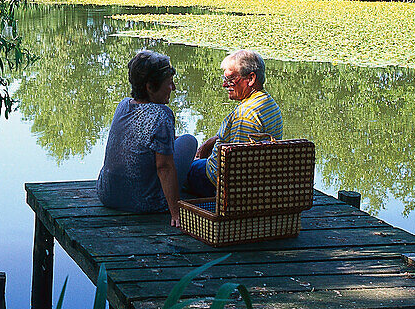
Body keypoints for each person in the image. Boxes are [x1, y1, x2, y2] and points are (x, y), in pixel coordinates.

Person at [96, 50, 196, 227]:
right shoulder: (161, 114)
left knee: (174, 143)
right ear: (150, 87)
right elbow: (164, 167)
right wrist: (175, 212)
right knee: (188, 141)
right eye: (169, 83)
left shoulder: (123, 105)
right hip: (145, 203)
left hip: (107, 194)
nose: (173, 88)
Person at [176, 49, 283, 197]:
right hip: (259, 179)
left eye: (231, 79)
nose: (225, 85)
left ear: (251, 78)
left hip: (214, 182)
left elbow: (236, 168)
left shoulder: (245, 115)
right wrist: (212, 141)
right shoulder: (269, 104)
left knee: (178, 164)